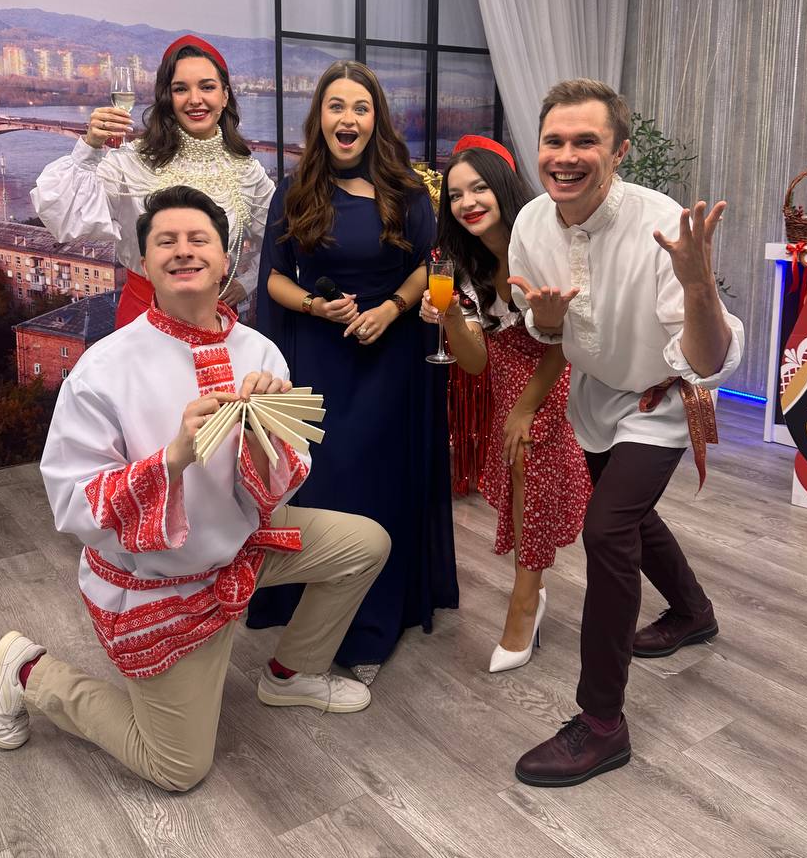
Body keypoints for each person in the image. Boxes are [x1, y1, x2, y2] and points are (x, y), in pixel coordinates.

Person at [0, 185, 390, 792]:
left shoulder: (260, 352)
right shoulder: (105, 367)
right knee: (176, 767)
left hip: (243, 549)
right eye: (165, 241)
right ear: (144, 265)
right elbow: (73, 503)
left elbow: (287, 475)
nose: (183, 251)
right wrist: (170, 460)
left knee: (365, 543)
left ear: (226, 261)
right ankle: (28, 672)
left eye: (199, 239)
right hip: (161, 582)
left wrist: (263, 436)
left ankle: (290, 674)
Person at [507, 79, 743, 787]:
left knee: (608, 530)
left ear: (619, 151)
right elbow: (541, 326)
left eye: (586, 141)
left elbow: (707, 359)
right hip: (593, 396)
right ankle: (693, 612)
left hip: (659, 395)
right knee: (629, 517)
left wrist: (699, 288)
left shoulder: (661, 224)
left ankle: (602, 722)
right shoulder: (531, 224)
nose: (566, 156)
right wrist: (547, 323)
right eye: (554, 140)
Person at [247, 60, 458, 682]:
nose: (348, 118)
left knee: (378, 482)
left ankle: (372, 622)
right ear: (320, 117)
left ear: (375, 120)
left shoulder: (407, 191)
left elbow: (429, 265)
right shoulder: (293, 190)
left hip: (390, 361)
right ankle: (311, 614)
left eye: (360, 108)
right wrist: (316, 306)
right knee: (324, 482)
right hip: (318, 358)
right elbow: (274, 279)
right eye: (336, 106)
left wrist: (391, 309)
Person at [420, 137, 591, 673]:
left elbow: (565, 339)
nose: (467, 203)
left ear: (502, 188)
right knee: (522, 476)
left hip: (560, 368)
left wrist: (526, 409)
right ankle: (531, 588)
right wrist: (450, 317)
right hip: (507, 376)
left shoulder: (540, 246)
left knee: (529, 460)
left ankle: (524, 601)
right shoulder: (467, 264)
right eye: (455, 195)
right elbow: (474, 363)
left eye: (478, 189)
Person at [32, 35, 275, 326]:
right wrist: (90, 146)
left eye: (207, 87)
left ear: (224, 96)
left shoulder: (246, 171)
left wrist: (247, 281)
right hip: (144, 320)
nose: (195, 99)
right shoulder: (131, 163)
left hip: (215, 319)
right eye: (180, 89)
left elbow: (278, 238)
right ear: (167, 99)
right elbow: (65, 217)